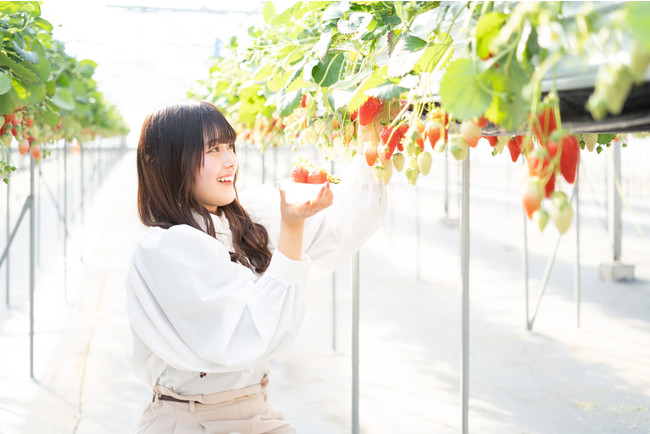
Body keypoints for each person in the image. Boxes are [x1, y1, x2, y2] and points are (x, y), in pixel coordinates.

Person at [126, 100, 386, 433]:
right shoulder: (166, 249)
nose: (230, 160)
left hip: (258, 411)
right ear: (173, 163)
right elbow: (251, 335)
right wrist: (293, 228)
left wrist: (372, 129)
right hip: (191, 420)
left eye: (230, 145)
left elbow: (342, 230)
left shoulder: (245, 222)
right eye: (214, 149)